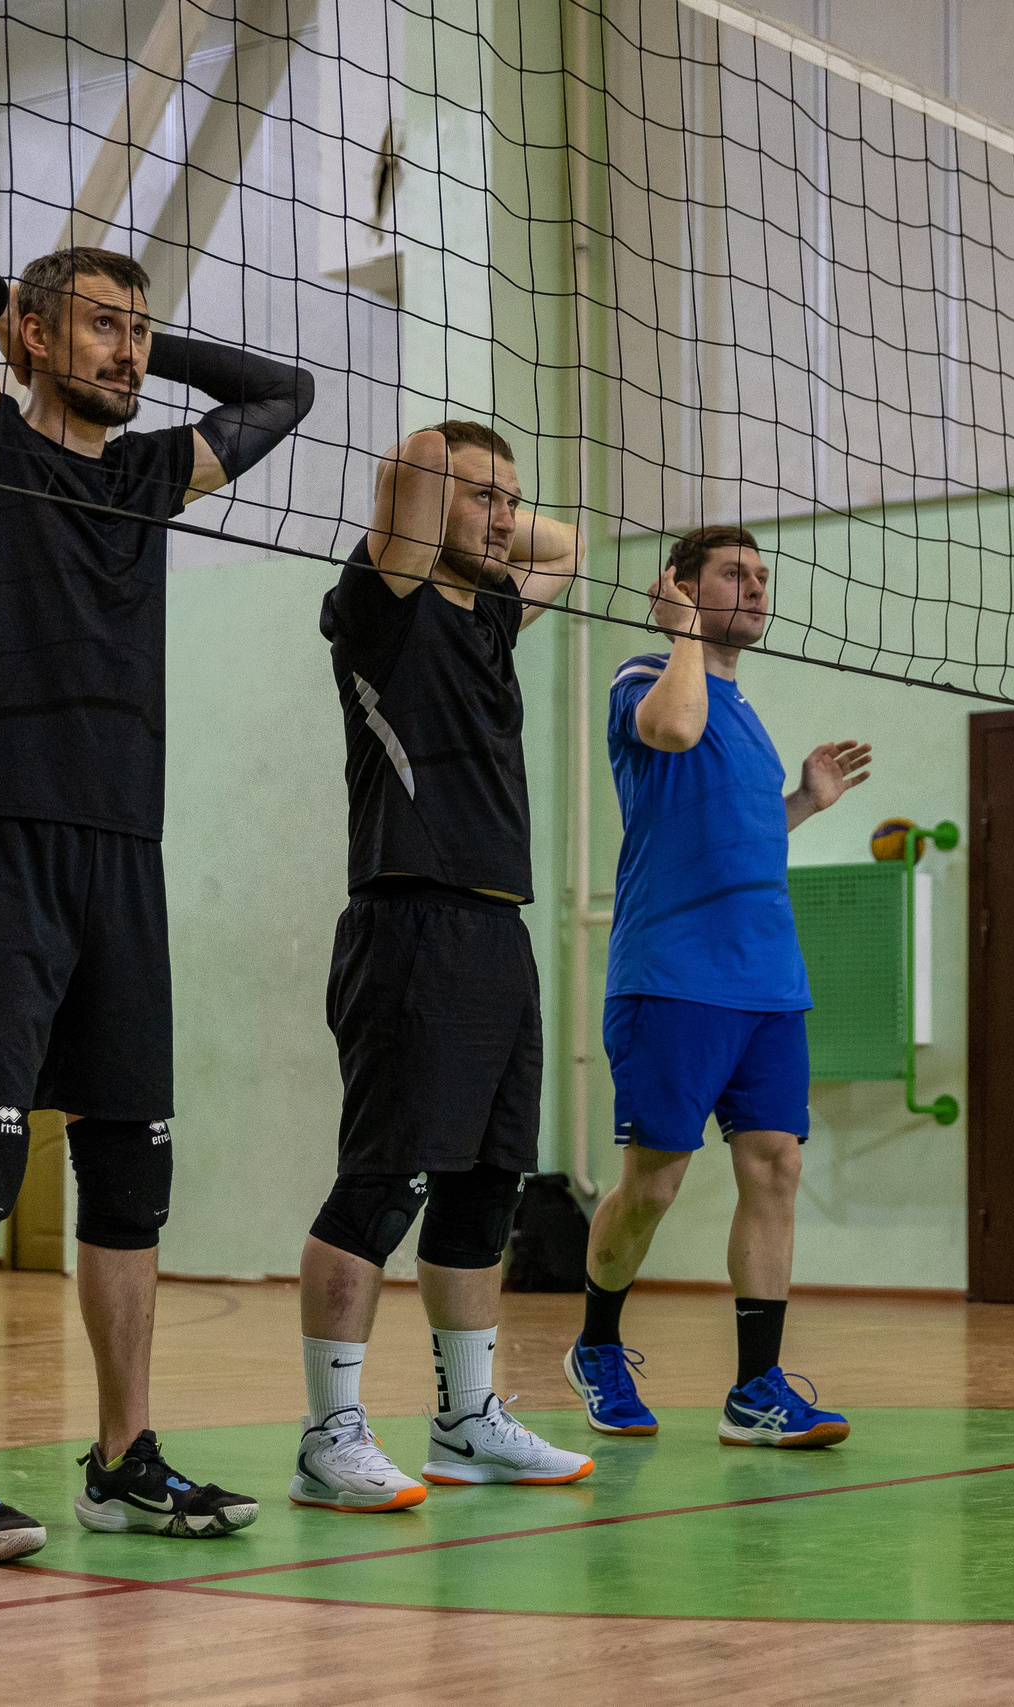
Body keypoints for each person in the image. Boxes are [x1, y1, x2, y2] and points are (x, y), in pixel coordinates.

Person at [0, 233, 313, 1564]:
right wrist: (18, 310)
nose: (128, 351)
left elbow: (283, 391)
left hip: (123, 848)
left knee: (132, 1166)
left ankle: (124, 1458)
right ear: (29, 336)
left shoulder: (145, 476)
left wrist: (137, 338)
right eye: (102, 327)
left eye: (141, 328)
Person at [289, 421, 590, 1515]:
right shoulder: (382, 606)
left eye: (514, 495)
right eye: (481, 495)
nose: (507, 515)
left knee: (485, 1186)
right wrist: (450, 484)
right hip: (409, 922)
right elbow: (415, 462)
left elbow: (568, 547)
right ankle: (329, 1436)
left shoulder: (491, 613)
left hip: (498, 930)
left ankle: (466, 1423)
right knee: (383, 1183)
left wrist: (492, 511)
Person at [561, 525, 870, 1449]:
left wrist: (803, 802)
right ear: (683, 588)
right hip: (672, 975)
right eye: (736, 574)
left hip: (768, 980)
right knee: (654, 1185)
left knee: (776, 1166)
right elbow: (675, 728)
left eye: (763, 575)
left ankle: (755, 1389)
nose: (758, 588)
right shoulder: (644, 678)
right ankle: (597, 1345)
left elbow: (739, 835)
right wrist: (682, 632)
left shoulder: (748, 716)